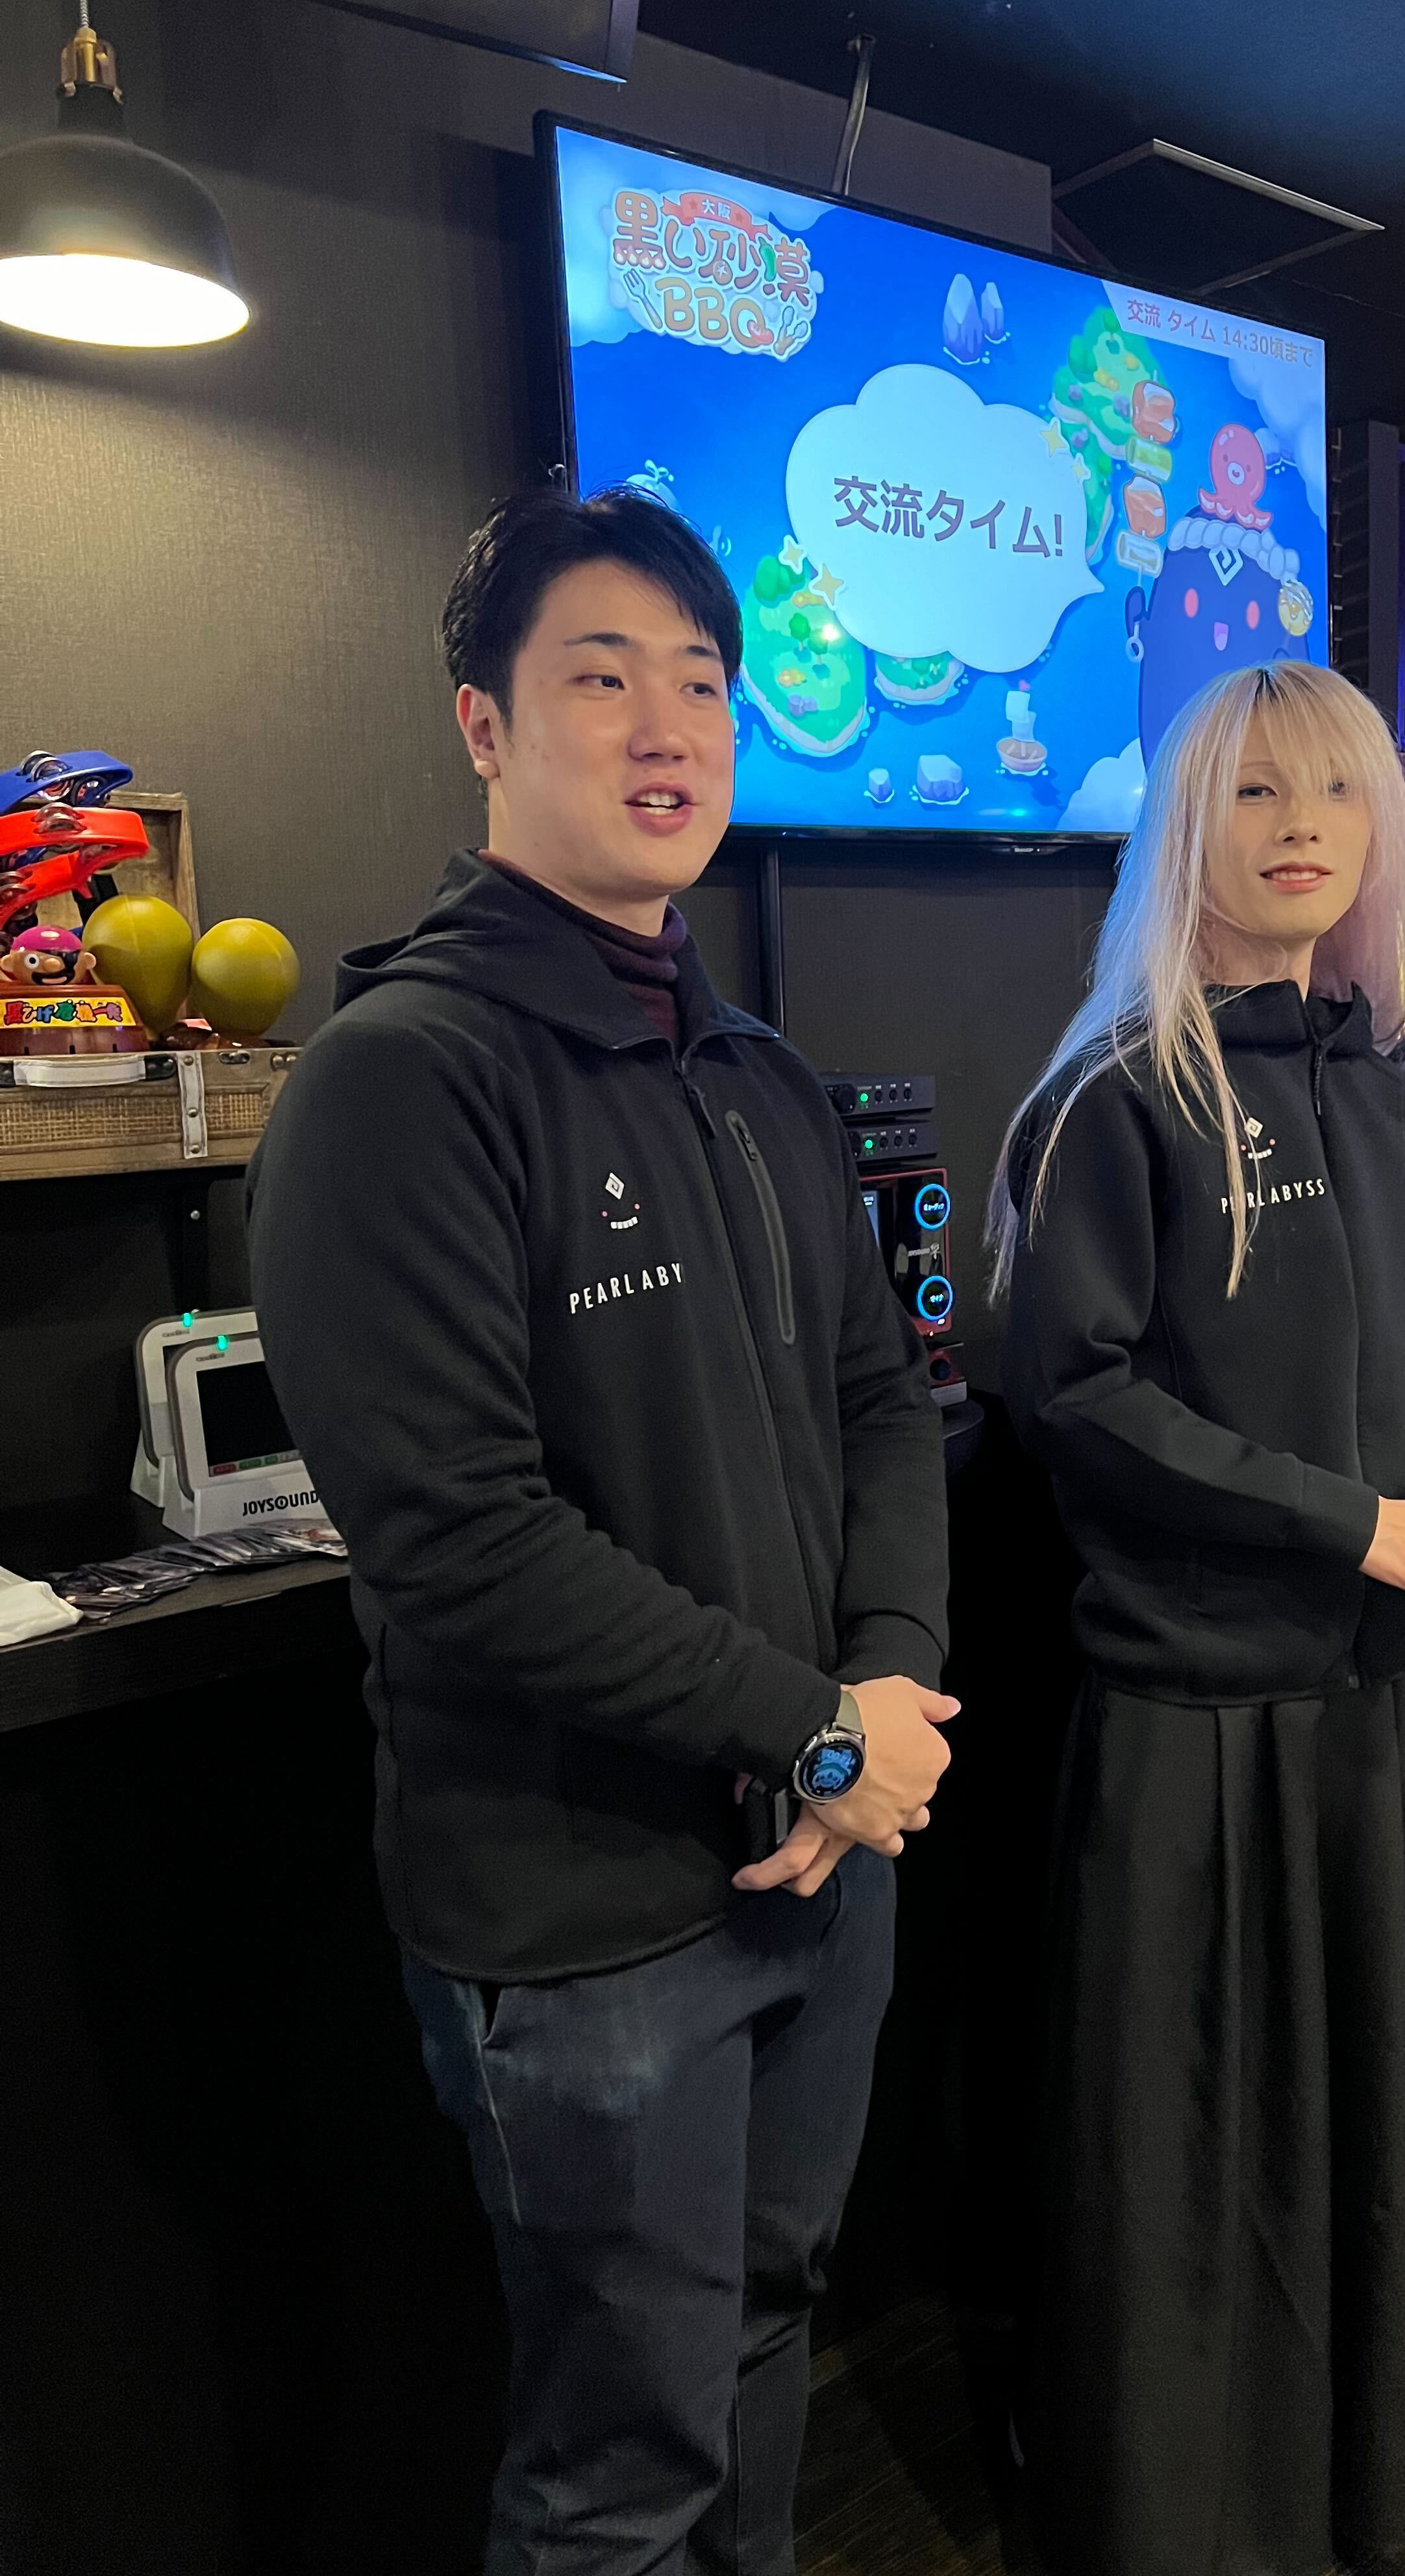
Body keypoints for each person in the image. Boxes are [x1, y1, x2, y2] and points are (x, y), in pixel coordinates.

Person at [247, 487, 955, 2576]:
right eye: (603, 677)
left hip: (820, 1864)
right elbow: (459, 1537)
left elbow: (882, 1402)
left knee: (766, 2336)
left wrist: (888, 1677)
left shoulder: (756, 1076)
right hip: (586, 1923)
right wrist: (811, 1728)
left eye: (704, 684)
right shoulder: (398, 1080)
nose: (669, 727)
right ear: (484, 725)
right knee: (617, 2471)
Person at [991, 660, 1405, 2576]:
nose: (1302, 827)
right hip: (1205, 1727)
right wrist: (1354, 1527)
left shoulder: (1383, 1077)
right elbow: (1078, 1398)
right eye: (1253, 794)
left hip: (1391, 1706)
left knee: (1396, 2126)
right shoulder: (1114, 1097)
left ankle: (1391, 2480)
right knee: (1207, 2160)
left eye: (1337, 792)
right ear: (1182, 829)